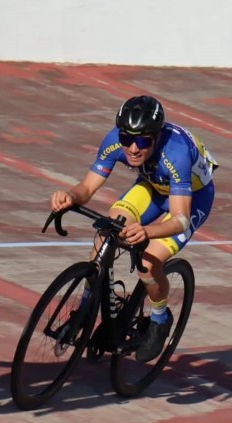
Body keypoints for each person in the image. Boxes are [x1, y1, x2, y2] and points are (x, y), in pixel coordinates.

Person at [51, 95, 218, 362]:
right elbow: (88, 187)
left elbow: (180, 219)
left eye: (142, 141)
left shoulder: (176, 153)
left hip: (191, 200)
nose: (133, 148)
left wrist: (147, 232)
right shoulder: (115, 140)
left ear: (156, 137)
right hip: (153, 187)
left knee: (149, 263)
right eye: (127, 139)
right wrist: (70, 196)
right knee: (109, 232)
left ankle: (160, 320)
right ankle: (85, 310)